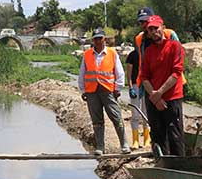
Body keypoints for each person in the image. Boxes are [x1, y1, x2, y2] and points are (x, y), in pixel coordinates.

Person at [137, 15, 186, 157]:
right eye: (150, 29)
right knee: (157, 133)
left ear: (163, 28)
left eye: (155, 28)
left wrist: (160, 93)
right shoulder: (149, 52)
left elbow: (177, 72)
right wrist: (155, 97)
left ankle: (178, 167)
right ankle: (161, 164)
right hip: (153, 99)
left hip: (172, 98)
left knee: (174, 134)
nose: (153, 32)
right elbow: (144, 76)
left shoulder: (174, 46)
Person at [77, 28, 129, 155]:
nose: (98, 41)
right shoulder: (87, 54)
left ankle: (124, 145)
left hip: (108, 91)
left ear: (104, 39)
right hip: (92, 92)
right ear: (93, 41)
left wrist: (117, 88)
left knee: (116, 117)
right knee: (97, 120)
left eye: (100, 38)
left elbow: (120, 73)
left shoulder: (112, 53)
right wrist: (83, 90)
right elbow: (82, 74)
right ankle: (100, 147)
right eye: (95, 39)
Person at [124, 47, 148, 149]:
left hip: (147, 86)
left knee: (146, 113)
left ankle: (147, 139)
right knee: (135, 113)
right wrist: (130, 87)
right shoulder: (133, 55)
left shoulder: (148, 53)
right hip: (135, 86)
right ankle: (135, 140)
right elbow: (129, 73)